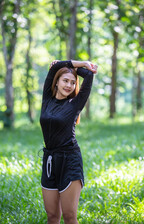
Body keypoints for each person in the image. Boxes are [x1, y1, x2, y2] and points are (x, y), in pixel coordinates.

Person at [40, 60, 97, 224]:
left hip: (69, 161)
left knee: (69, 217)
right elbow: (55, 67)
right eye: (65, 80)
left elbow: (89, 76)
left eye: (73, 82)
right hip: (50, 161)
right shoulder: (47, 100)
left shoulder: (75, 104)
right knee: (52, 216)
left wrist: (82, 68)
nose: (69, 85)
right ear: (56, 82)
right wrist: (81, 63)